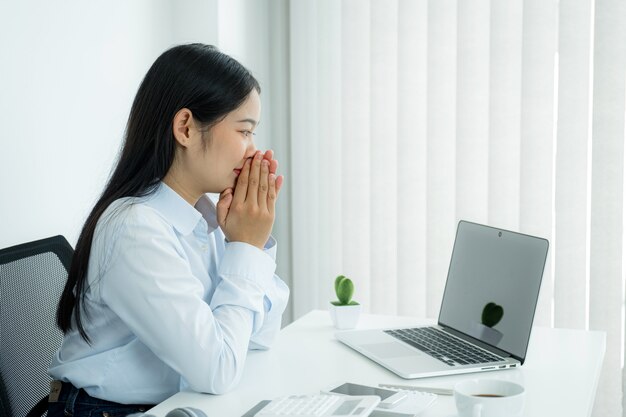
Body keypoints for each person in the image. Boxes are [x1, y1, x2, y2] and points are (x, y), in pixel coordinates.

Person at [48, 43, 289, 417]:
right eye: (245, 132)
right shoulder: (134, 227)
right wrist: (245, 249)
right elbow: (217, 370)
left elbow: (258, 337)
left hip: (172, 405)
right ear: (186, 128)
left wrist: (250, 244)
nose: (253, 152)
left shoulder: (205, 218)